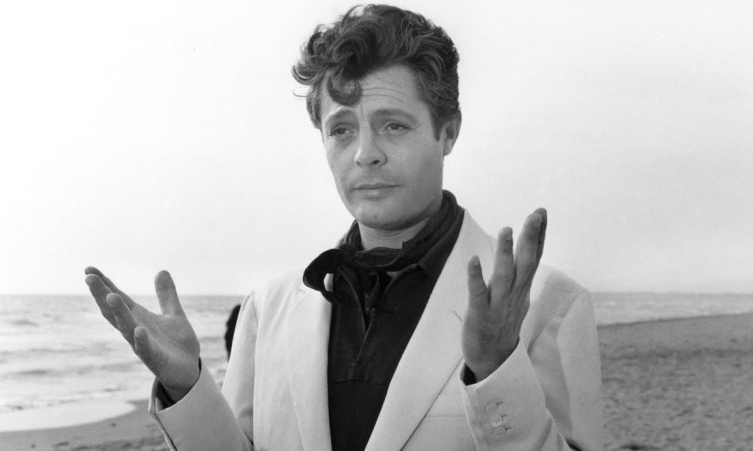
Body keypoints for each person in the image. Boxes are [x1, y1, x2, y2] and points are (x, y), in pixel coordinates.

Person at [84, 5, 603, 450]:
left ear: (448, 132)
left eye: (393, 125)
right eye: (341, 130)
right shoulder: (269, 307)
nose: (365, 154)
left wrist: (496, 371)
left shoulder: (550, 305)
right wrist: (187, 389)